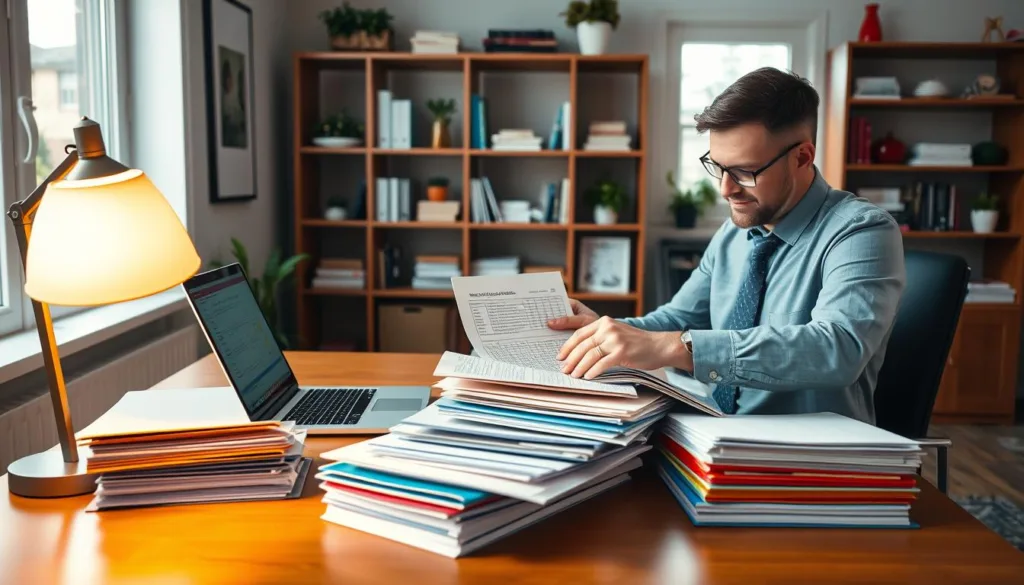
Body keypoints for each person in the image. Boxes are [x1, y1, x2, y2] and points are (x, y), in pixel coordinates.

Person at [548, 67, 905, 423]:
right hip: (711, 431)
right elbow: (679, 318)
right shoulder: (735, 230)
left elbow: (837, 348)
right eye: (717, 167)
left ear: (802, 157)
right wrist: (604, 332)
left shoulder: (862, 231)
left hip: (809, 458)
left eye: (745, 172)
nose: (725, 189)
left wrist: (676, 347)